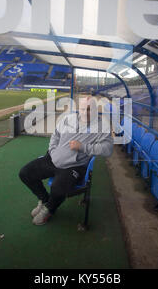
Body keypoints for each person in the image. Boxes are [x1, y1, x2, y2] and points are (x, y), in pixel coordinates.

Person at [19, 96, 113, 225]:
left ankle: (49, 209)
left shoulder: (102, 126)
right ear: (78, 109)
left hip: (74, 166)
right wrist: (52, 150)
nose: (85, 112)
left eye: (90, 109)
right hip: (52, 159)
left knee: (58, 189)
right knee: (25, 173)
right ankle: (44, 199)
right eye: (82, 108)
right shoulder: (68, 119)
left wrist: (83, 147)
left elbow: (108, 149)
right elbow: (55, 135)